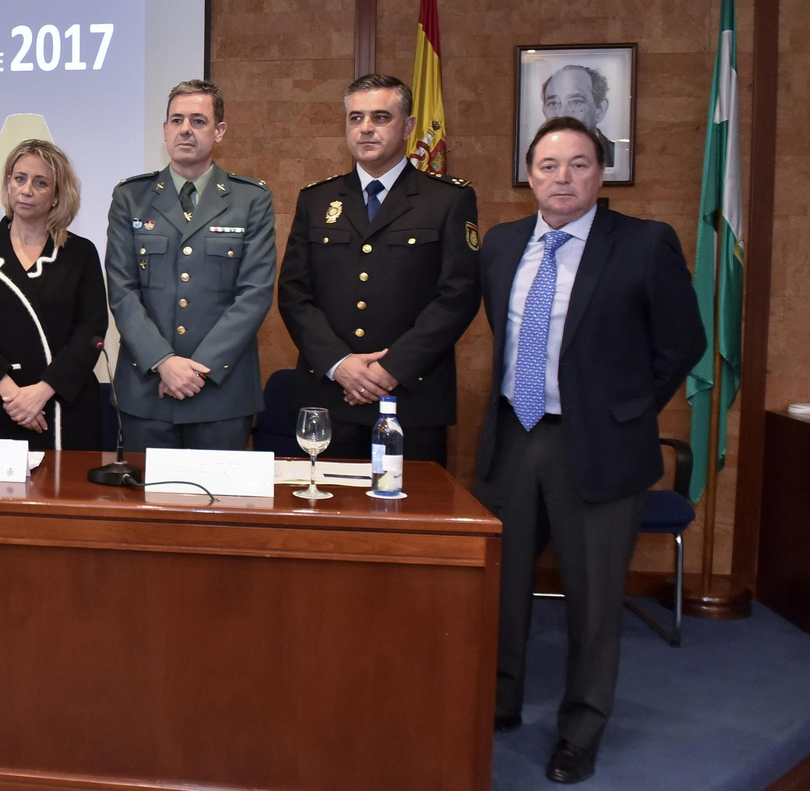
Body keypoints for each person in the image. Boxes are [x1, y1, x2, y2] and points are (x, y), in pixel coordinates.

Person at [479, 116, 705, 784]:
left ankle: (580, 730)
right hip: (515, 437)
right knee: (503, 586)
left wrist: (628, 407)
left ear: (601, 173)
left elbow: (682, 342)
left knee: (595, 599)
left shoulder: (643, 244)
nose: (562, 178)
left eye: (579, 164)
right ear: (528, 174)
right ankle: (499, 702)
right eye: (548, 165)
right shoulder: (500, 244)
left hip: (600, 444)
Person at [276, 73, 480, 466]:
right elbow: (294, 295)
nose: (366, 128)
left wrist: (390, 369)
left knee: (409, 520)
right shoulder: (316, 200)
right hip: (328, 399)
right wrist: (341, 365)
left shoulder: (447, 200)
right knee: (326, 521)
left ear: (407, 126)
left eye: (380, 117)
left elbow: (458, 296)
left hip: (410, 399)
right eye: (356, 118)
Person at [104, 80, 275, 451]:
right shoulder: (131, 197)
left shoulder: (250, 199)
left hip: (221, 394)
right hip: (147, 391)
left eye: (198, 121)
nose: (185, 129)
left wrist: (197, 369)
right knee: (148, 506)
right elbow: (122, 290)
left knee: (219, 507)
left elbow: (255, 293)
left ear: (219, 131)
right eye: (176, 120)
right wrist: (163, 361)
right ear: (164, 130)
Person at [0, 140, 107, 450]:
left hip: (62, 406)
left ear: (57, 195)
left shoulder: (80, 253)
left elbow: (90, 332)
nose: (26, 190)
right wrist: (14, 396)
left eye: (41, 183)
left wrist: (40, 393)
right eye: (19, 178)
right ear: (8, 184)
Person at [541, 65, 617, 168]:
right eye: (553, 103)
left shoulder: (616, 156)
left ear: (600, 109)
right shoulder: (536, 156)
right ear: (544, 111)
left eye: (576, 102)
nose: (562, 114)